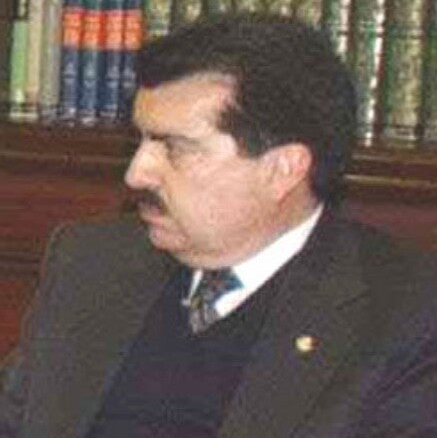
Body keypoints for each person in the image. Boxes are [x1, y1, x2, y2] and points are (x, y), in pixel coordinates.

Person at [0, 13, 436, 438]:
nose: (136, 174)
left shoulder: (401, 312)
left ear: (283, 169)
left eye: (175, 147)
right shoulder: (92, 260)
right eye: (142, 139)